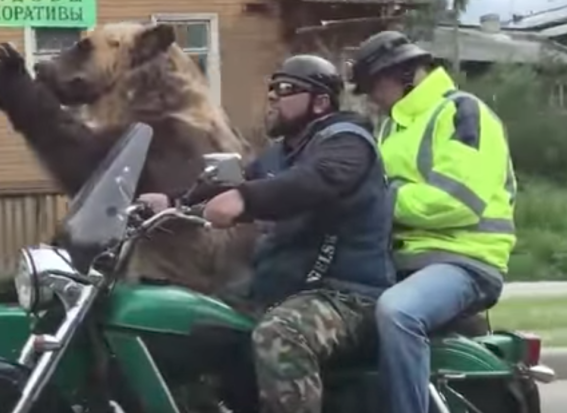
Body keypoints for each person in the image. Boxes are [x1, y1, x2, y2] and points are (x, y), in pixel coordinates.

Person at [141, 55, 395, 413]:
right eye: (272, 89)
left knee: (281, 335)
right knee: (194, 321)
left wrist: (244, 200)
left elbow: (313, 182)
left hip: (346, 295)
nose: (273, 97)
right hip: (284, 288)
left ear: (320, 102)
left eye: (287, 89)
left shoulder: (347, 143)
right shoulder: (281, 154)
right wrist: (172, 200)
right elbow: (232, 182)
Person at [348, 30, 516, 413]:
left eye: (374, 84)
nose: (371, 96)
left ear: (405, 74)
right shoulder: (392, 127)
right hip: (399, 261)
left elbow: (460, 200)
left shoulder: (461, 112)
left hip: (462, 262)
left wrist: (378, 204)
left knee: (398, 311)